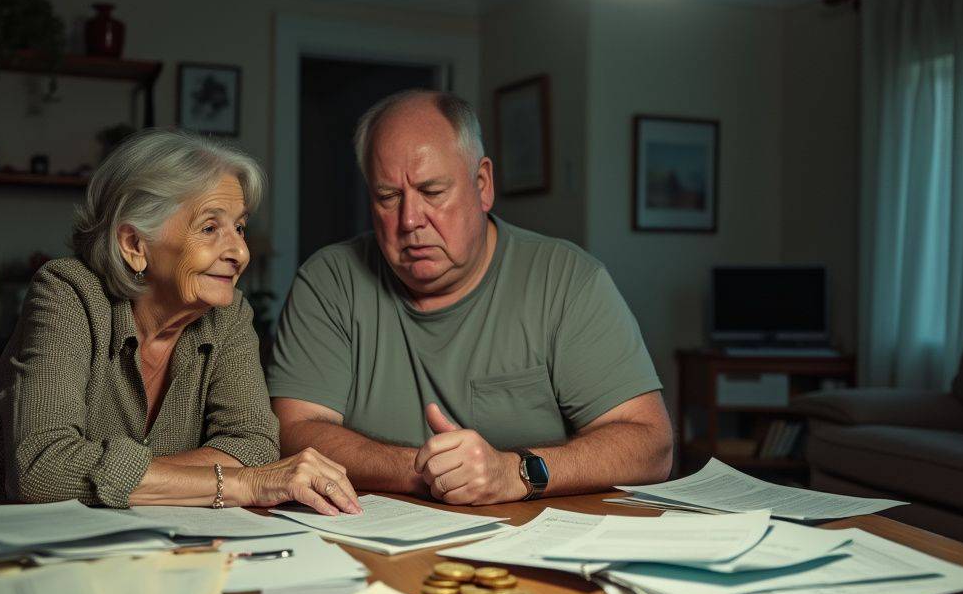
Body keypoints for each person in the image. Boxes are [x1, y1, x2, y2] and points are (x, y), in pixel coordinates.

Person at [0, 129, 360, 528]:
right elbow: (43, 469)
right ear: (134, 244)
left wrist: (135, 478)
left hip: (127, 541)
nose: (240, 252)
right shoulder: (68, 293)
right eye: (211, 227)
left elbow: (255, 446)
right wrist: (240, 483)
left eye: (240, 227)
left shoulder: (227, 314)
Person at [268, 90, 672, 505]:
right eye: (388, 198)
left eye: (432, 191)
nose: (409, 220)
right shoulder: (329, 280)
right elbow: (292, 431)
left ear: (482, 185)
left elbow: (651, 445)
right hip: (373, 542)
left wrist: (515, 472)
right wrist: (426, 470)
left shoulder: (567, 280)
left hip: (531, 543)